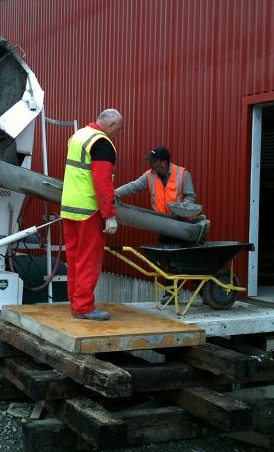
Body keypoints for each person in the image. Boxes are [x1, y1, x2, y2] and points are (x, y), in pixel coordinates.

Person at [60, 108, 123, 321]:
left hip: (70, 207)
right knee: (88, 260)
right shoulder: (102, 143)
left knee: (75, 258)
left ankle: (76, 302)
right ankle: (84, 307)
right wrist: (109, 215)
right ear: (112, 125)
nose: (117, 133)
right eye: (118, 129)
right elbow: (102, 182)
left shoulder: (78, 136)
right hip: (89, 210)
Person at [115, 145, 197, 217]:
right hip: (162, 222)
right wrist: (114, 193)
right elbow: (133, 186)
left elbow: (190, 197)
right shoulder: (150, 175)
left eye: (153, 162)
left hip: (182, 224)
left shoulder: (183, 174)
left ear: (164, 163)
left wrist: (181, 212)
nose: (149, 164)